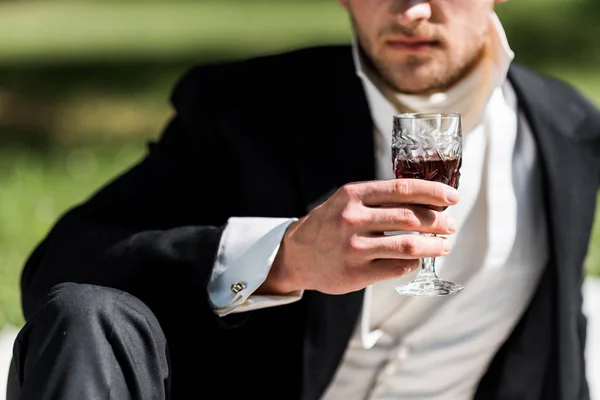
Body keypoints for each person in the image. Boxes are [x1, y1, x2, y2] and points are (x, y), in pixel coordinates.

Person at [6, 0, 600, 399]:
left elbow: (559, 347)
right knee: (86, 311)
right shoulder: (247, 108)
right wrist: (280, 258)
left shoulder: (568, 129)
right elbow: (61, 267)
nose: (412, 9)